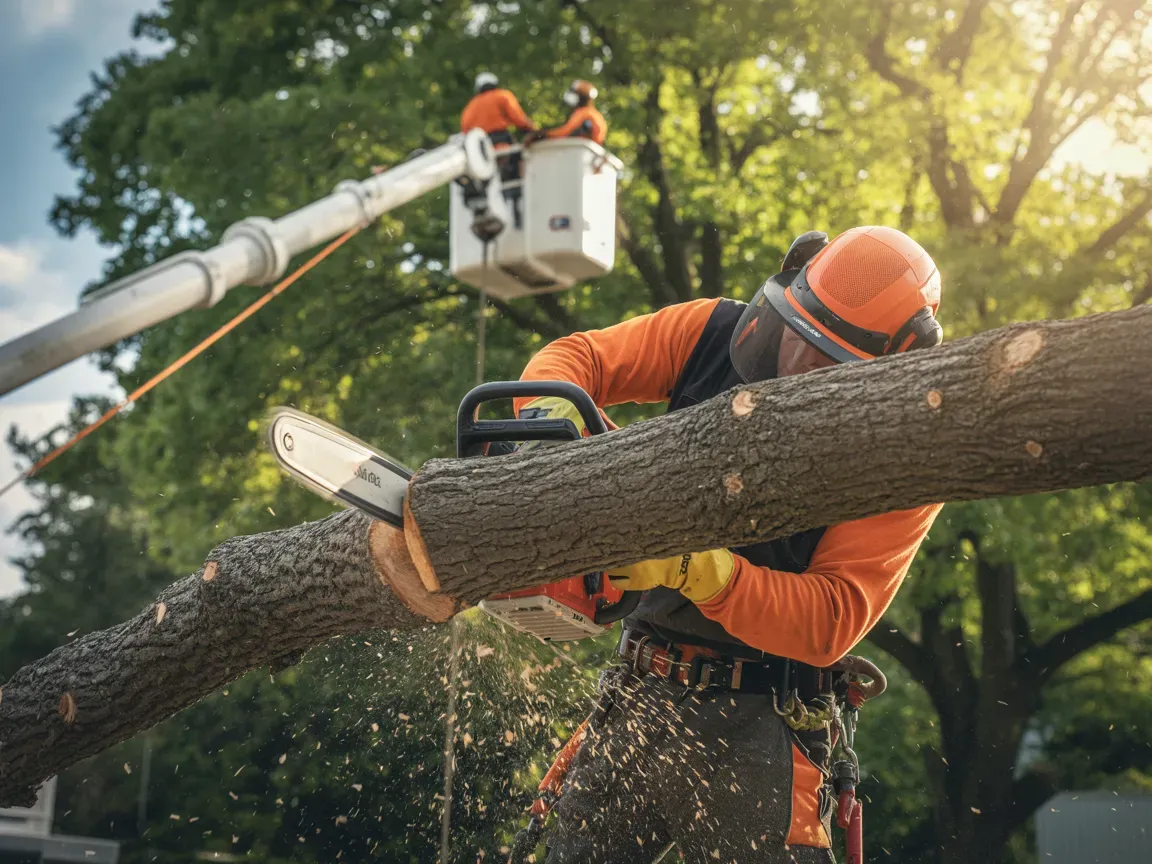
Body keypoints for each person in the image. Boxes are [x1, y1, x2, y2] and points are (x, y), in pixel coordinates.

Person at [512, 226, 945, 863]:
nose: (797, 367)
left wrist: (705, 573)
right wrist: (547, 420)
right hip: (638, 688)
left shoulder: (907, 460)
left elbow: (832, 619)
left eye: (830, 364)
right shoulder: (714, 333)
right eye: (796, 337)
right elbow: (580, 357)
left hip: (760, 721)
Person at [460, 72, 535, 147]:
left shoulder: (471, 105)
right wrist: (531, 128)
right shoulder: (502, 95)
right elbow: (517, 117)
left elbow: (465, 129)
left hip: (479, 147)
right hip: (500, 140)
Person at [534, 79, 607, 145]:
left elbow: (564, 132)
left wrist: (544, 135)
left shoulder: (584, 113)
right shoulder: (596, 115)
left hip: (580, 149)